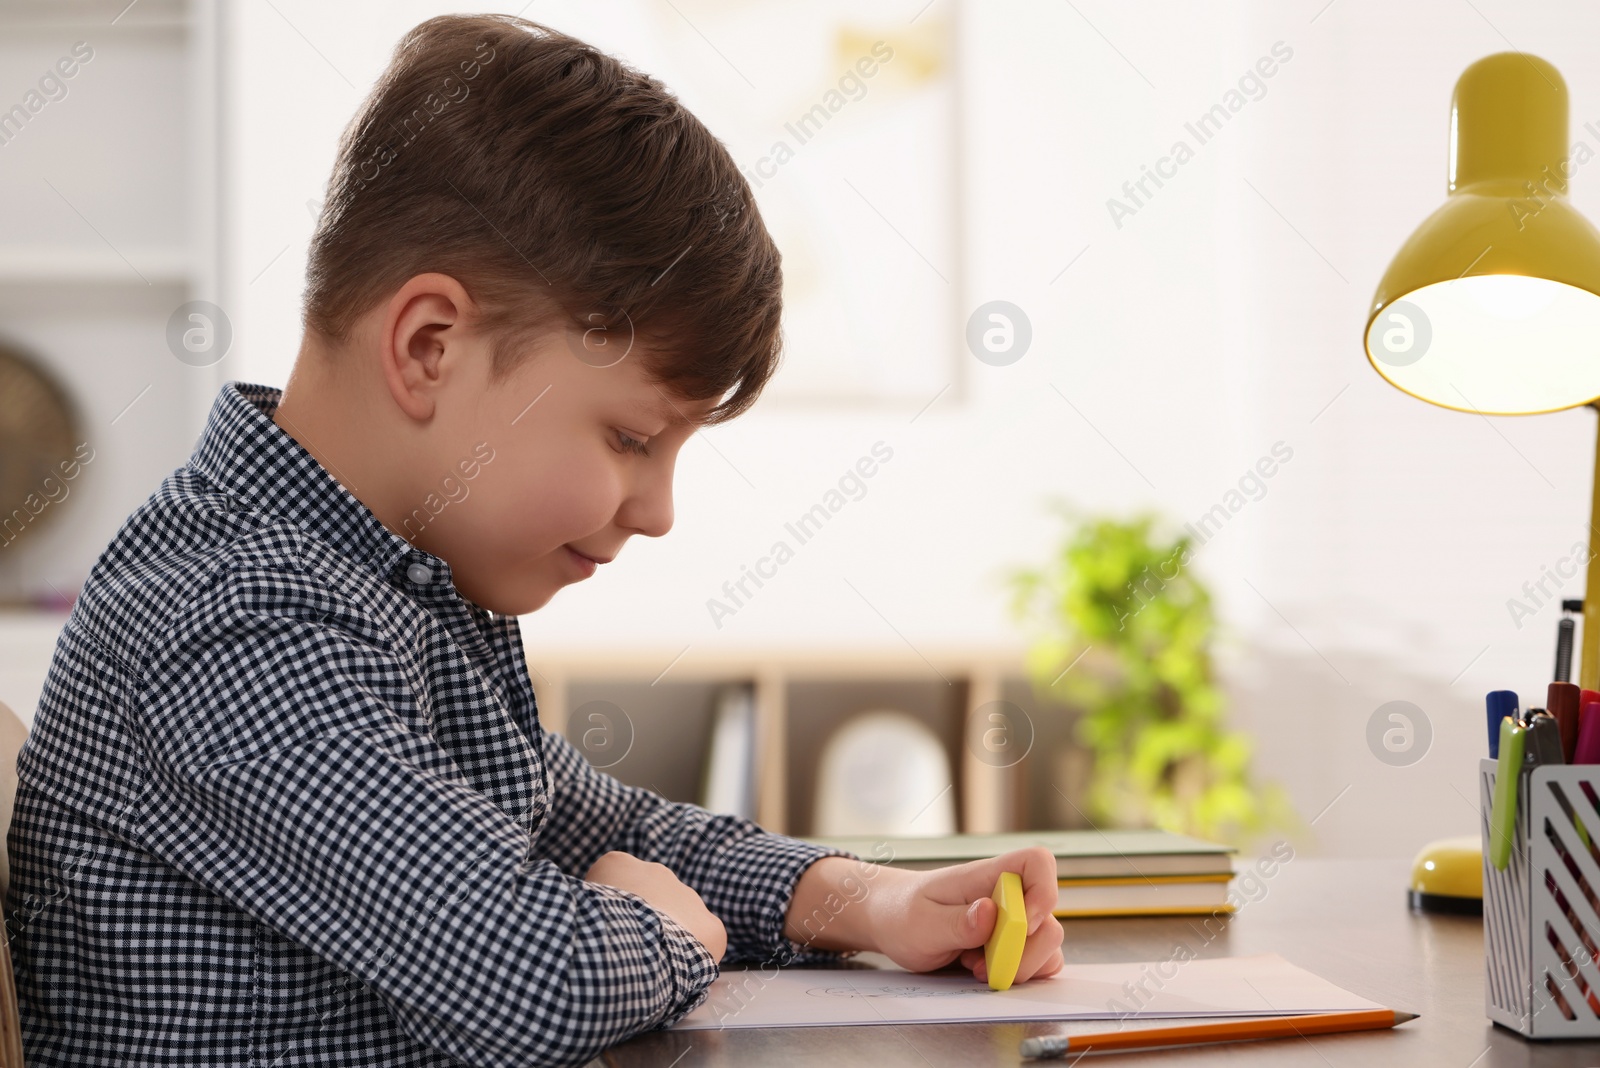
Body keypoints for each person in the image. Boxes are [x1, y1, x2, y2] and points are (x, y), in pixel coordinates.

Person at [5, 14, 1063, 1067]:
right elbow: (537, 980)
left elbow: (600, 824)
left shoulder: (388, 582)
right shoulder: (236, 621)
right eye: (630, 438)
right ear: (430, 348)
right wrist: (669, 929)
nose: (657, 511)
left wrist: (869, 901)